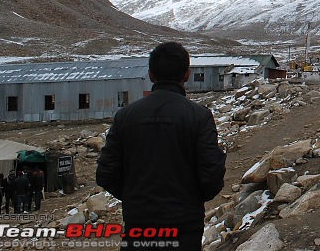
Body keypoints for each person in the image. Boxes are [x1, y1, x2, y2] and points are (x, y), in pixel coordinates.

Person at [96, 42, 226, 250]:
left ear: (151, 75)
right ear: (187, 75)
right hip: (185, 226)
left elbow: (106, 173)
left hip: (138, 225)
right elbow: (212, 173)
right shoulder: (199, 116)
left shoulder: (125, 116)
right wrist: (190, 199)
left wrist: (134, 197)